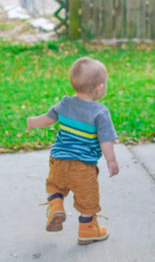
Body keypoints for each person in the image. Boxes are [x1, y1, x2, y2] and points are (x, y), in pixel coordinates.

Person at [26, 57, 119, 245]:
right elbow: (106, 140)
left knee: (55, 186)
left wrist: (31, 122)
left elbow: (47, 119)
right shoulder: (100, 113)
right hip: (83, 167)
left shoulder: (65, 103)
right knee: (87, 199)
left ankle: (56, 205)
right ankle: (88, 230)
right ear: (99, 88)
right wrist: (111, 161)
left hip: (58, 160)